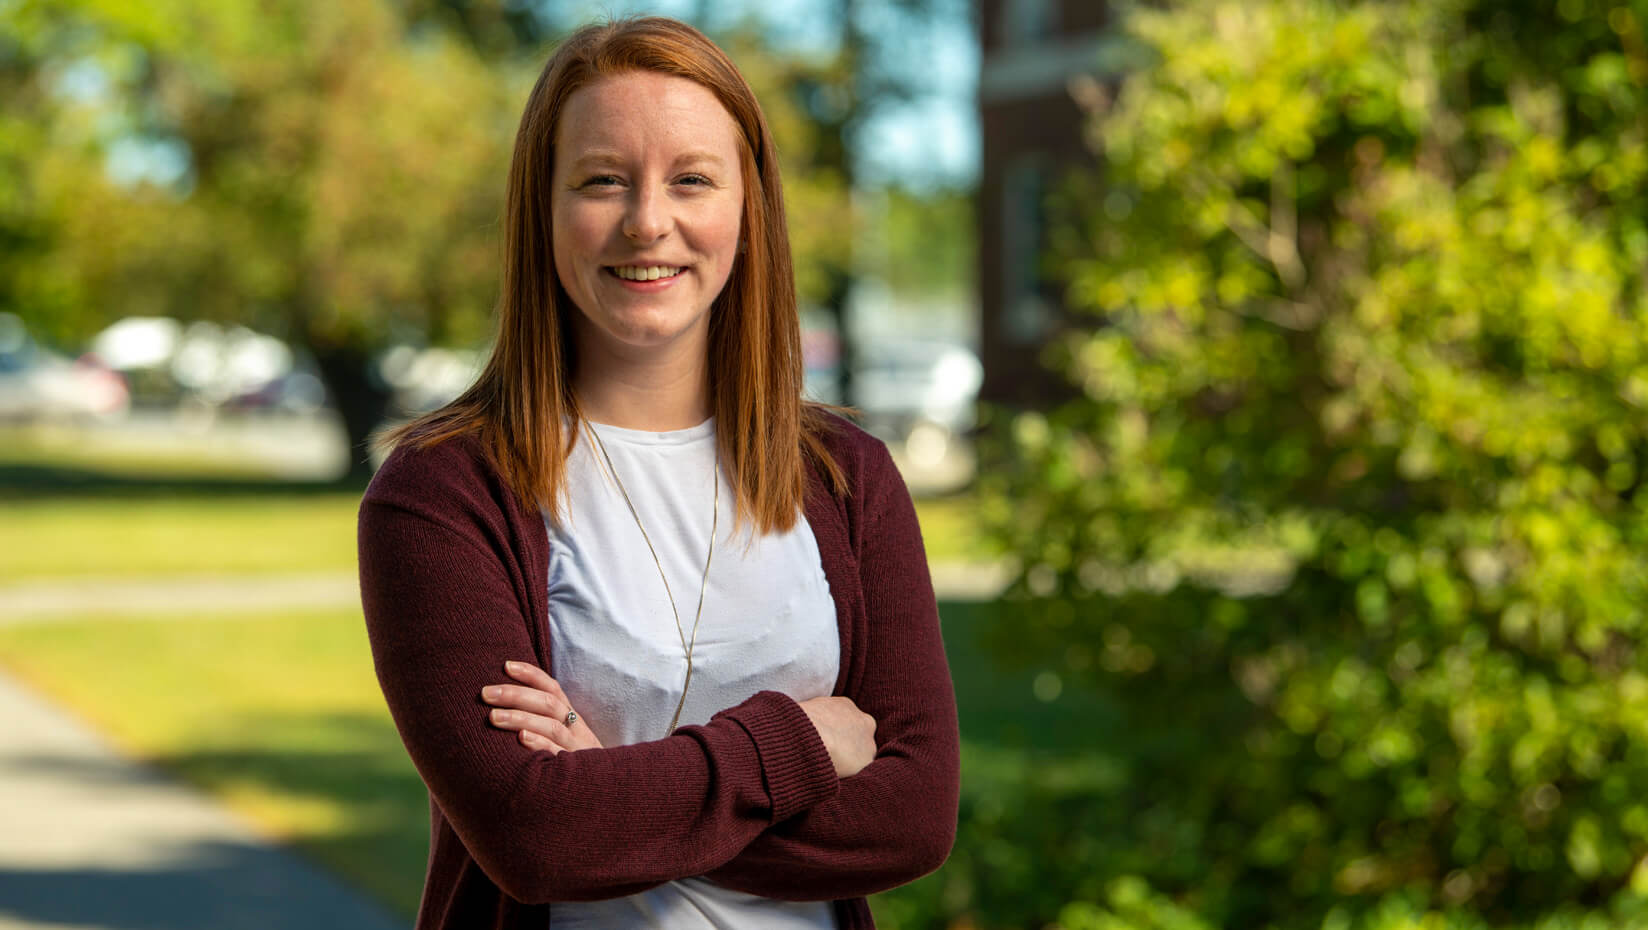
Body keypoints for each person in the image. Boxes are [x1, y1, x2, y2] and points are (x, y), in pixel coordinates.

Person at [357, 16, 959, 930]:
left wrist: (610, 791)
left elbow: (912, 820)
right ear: (543, 209)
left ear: (747, 208)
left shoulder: (849, 479)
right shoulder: (442, 492)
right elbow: (533, 839)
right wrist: (796, 747)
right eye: (602, 180)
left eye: (692, 179)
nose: (648, 221)